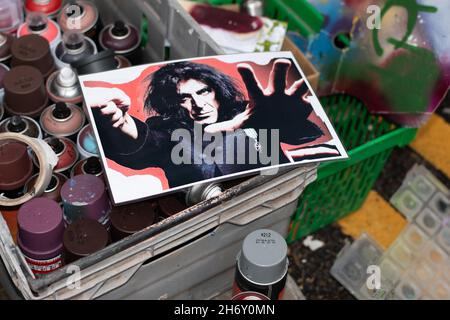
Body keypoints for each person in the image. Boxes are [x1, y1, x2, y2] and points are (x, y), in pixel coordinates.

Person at [87, 58, 324, 188]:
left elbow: (297, 133)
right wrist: (120, 121)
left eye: (203, 92)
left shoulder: (246, 111)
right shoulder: (168, 131)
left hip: (268, 196)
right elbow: (147, 140)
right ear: (173, 104)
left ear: (217, 91)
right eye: (184, 98)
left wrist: (286, 116)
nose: (198, 104)